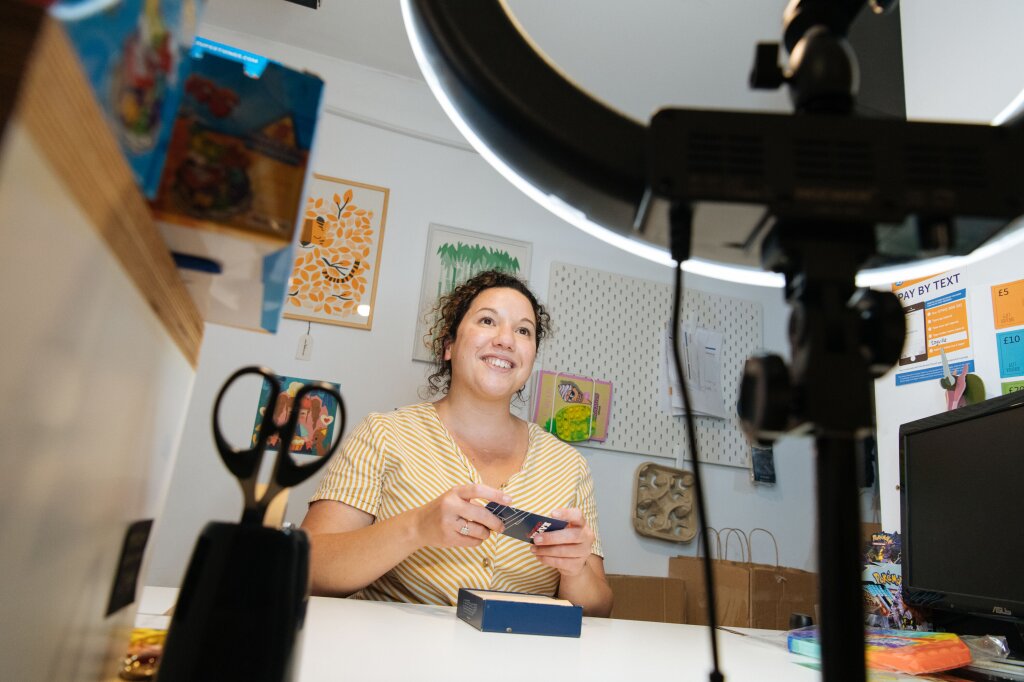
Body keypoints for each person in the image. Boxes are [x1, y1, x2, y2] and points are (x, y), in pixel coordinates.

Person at [301, 270, 613, 616]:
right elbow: (308, 570)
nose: (506, 340)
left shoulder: (569, 466)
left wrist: (576, 569)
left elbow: (599, 609)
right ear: (449, 346)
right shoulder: (384, 434)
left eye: (523, 330)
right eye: (487, 321)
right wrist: (416, 527)